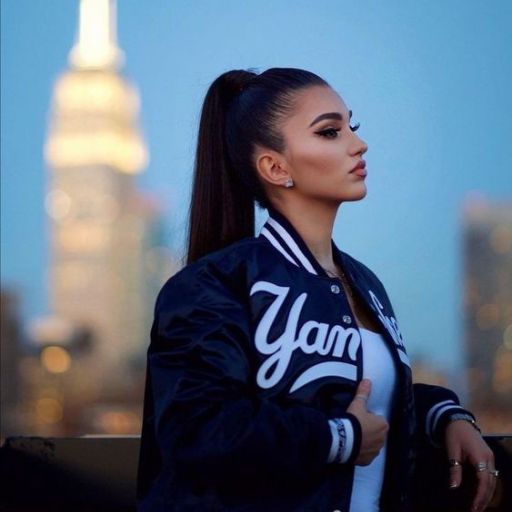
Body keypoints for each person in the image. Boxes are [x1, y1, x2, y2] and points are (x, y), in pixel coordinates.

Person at [136, 68, 497, 512]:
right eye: (330, 132)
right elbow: (198, 429)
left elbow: (359, 392)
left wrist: (444, 415)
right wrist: (339, 438)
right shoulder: (213, 284)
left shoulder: (366, 284)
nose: (357, 144)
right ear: (275, 166)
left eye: (352, 126)